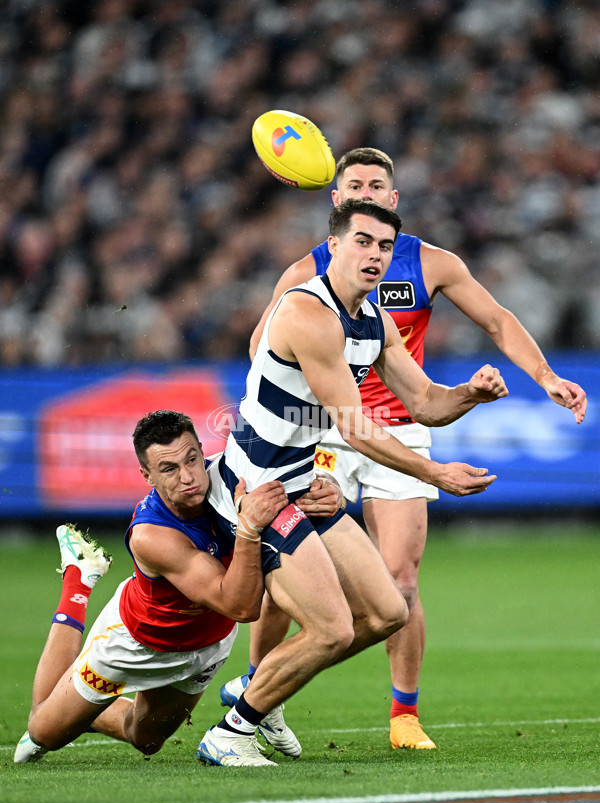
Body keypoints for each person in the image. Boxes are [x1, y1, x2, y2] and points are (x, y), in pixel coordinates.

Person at [219, 148, 588, 752]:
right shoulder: (306, 284)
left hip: (399, 426)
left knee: (400, 585)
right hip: (330, 435)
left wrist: (519, 382)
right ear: (336, 203)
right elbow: (266, 348)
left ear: (394, 200)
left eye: (377, 186)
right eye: (353, 185)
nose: (366, 197)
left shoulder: (422, 269)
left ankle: (402, 715)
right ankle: (263, 698)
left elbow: (490, 327)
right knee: (287, 582)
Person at [197, 197, 508, 767]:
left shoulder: (375, 322)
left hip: (303, 488)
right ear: (333, 246)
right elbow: (354, 425)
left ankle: (256, 693)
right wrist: (436, 472)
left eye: (385, 246)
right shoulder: (307, 314)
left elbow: (424, 403)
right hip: (255, 492)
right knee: (334, 629)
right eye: (362, 241)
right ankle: (233, 731)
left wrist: (469, 393)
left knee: (389, 612)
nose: (375, 255)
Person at [14, 410, 296, 764]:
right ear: (146, 475)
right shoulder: (151, 535)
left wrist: (322, 497)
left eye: (192, 459)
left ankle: (78, 707)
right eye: (169, 469)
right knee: (42, 731)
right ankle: (79, 579)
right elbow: (242, 607)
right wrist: (250, 527)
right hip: (138, 642)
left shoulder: (227, 476)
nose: (188, 477)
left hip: (208, 641)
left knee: (145, 739)